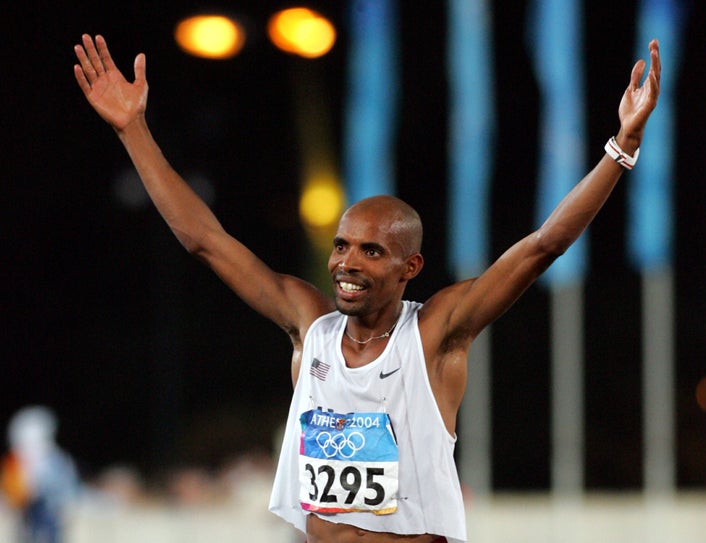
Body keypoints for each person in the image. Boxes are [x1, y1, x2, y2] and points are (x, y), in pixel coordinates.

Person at [73, 33, 661, 543]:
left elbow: (541, 247)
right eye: (341, 245)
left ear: (410, 267)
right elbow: (206, 240)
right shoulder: (310, 325)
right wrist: (133, 130)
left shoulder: (435, 333)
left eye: (371, 251)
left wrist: (621, 150)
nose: (346, 263)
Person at [0, 406, 79, 543]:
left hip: (48, 510)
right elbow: (11, 489)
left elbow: (64, 487)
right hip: (27, 514)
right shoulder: (15, 463)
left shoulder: (55, 461)